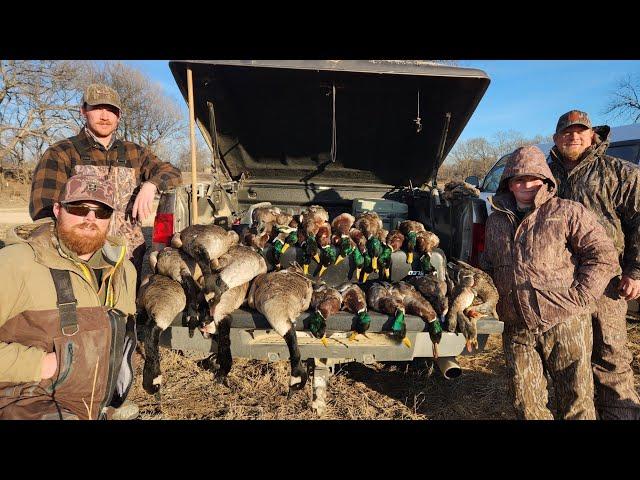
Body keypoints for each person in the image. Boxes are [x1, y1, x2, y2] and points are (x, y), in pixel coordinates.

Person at [481, 145, 618, 420]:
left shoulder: (567, 211)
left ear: (546, 180)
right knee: (525, 402)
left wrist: (581, 296)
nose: (527, 185)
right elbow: (489, 264)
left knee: (576, 400)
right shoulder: (496, 220)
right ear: (509, 183)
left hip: (564, 322)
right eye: (519, 179)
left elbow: (603, 255)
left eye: (534, 178)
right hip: (517, 326)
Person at [0, 174, 139, 420]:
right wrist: (39, 363)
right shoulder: (17, 263)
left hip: (90, 404)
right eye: (78, 208)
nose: (90, 218)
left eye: (102, 212)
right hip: (26, 399)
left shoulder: (124, 270)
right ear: (57, 210)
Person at [29, 83, 183, 285]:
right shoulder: (61, 153)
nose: (104, 116)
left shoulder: (134, 152)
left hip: (128, 258)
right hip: (79, 261)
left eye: (111, 110)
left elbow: (173, 173)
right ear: (83, 110)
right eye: (97, 108)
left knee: (126, 312)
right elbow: (44, 211)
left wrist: (151, 185)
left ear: (119, 115)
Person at [549, 110, 640, 420]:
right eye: (567, 132)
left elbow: (639, 222)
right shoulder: (544, 177)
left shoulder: (620, 172)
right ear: (556, 138)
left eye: (580, 131)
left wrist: (635, 271)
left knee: (610, 357)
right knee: (569, 357)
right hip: (560, 284)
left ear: (592, 136)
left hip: (607, 283)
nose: (573, 136)